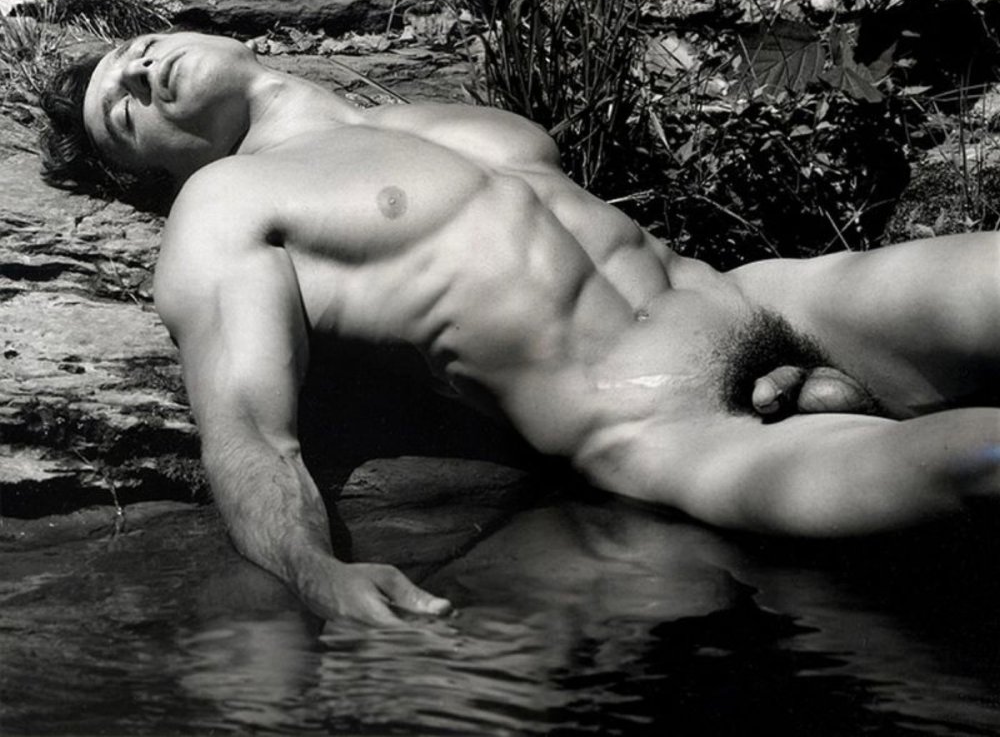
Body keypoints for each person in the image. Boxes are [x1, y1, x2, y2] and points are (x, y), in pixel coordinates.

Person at [39, 31, 1000, 626]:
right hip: (675, 424)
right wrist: (316, 572)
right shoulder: (224, 205)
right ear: (148, 173)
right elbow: (247, 425)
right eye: (123, 113)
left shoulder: (425, 113)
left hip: (767, 301)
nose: (139, 74)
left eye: (135, 52)